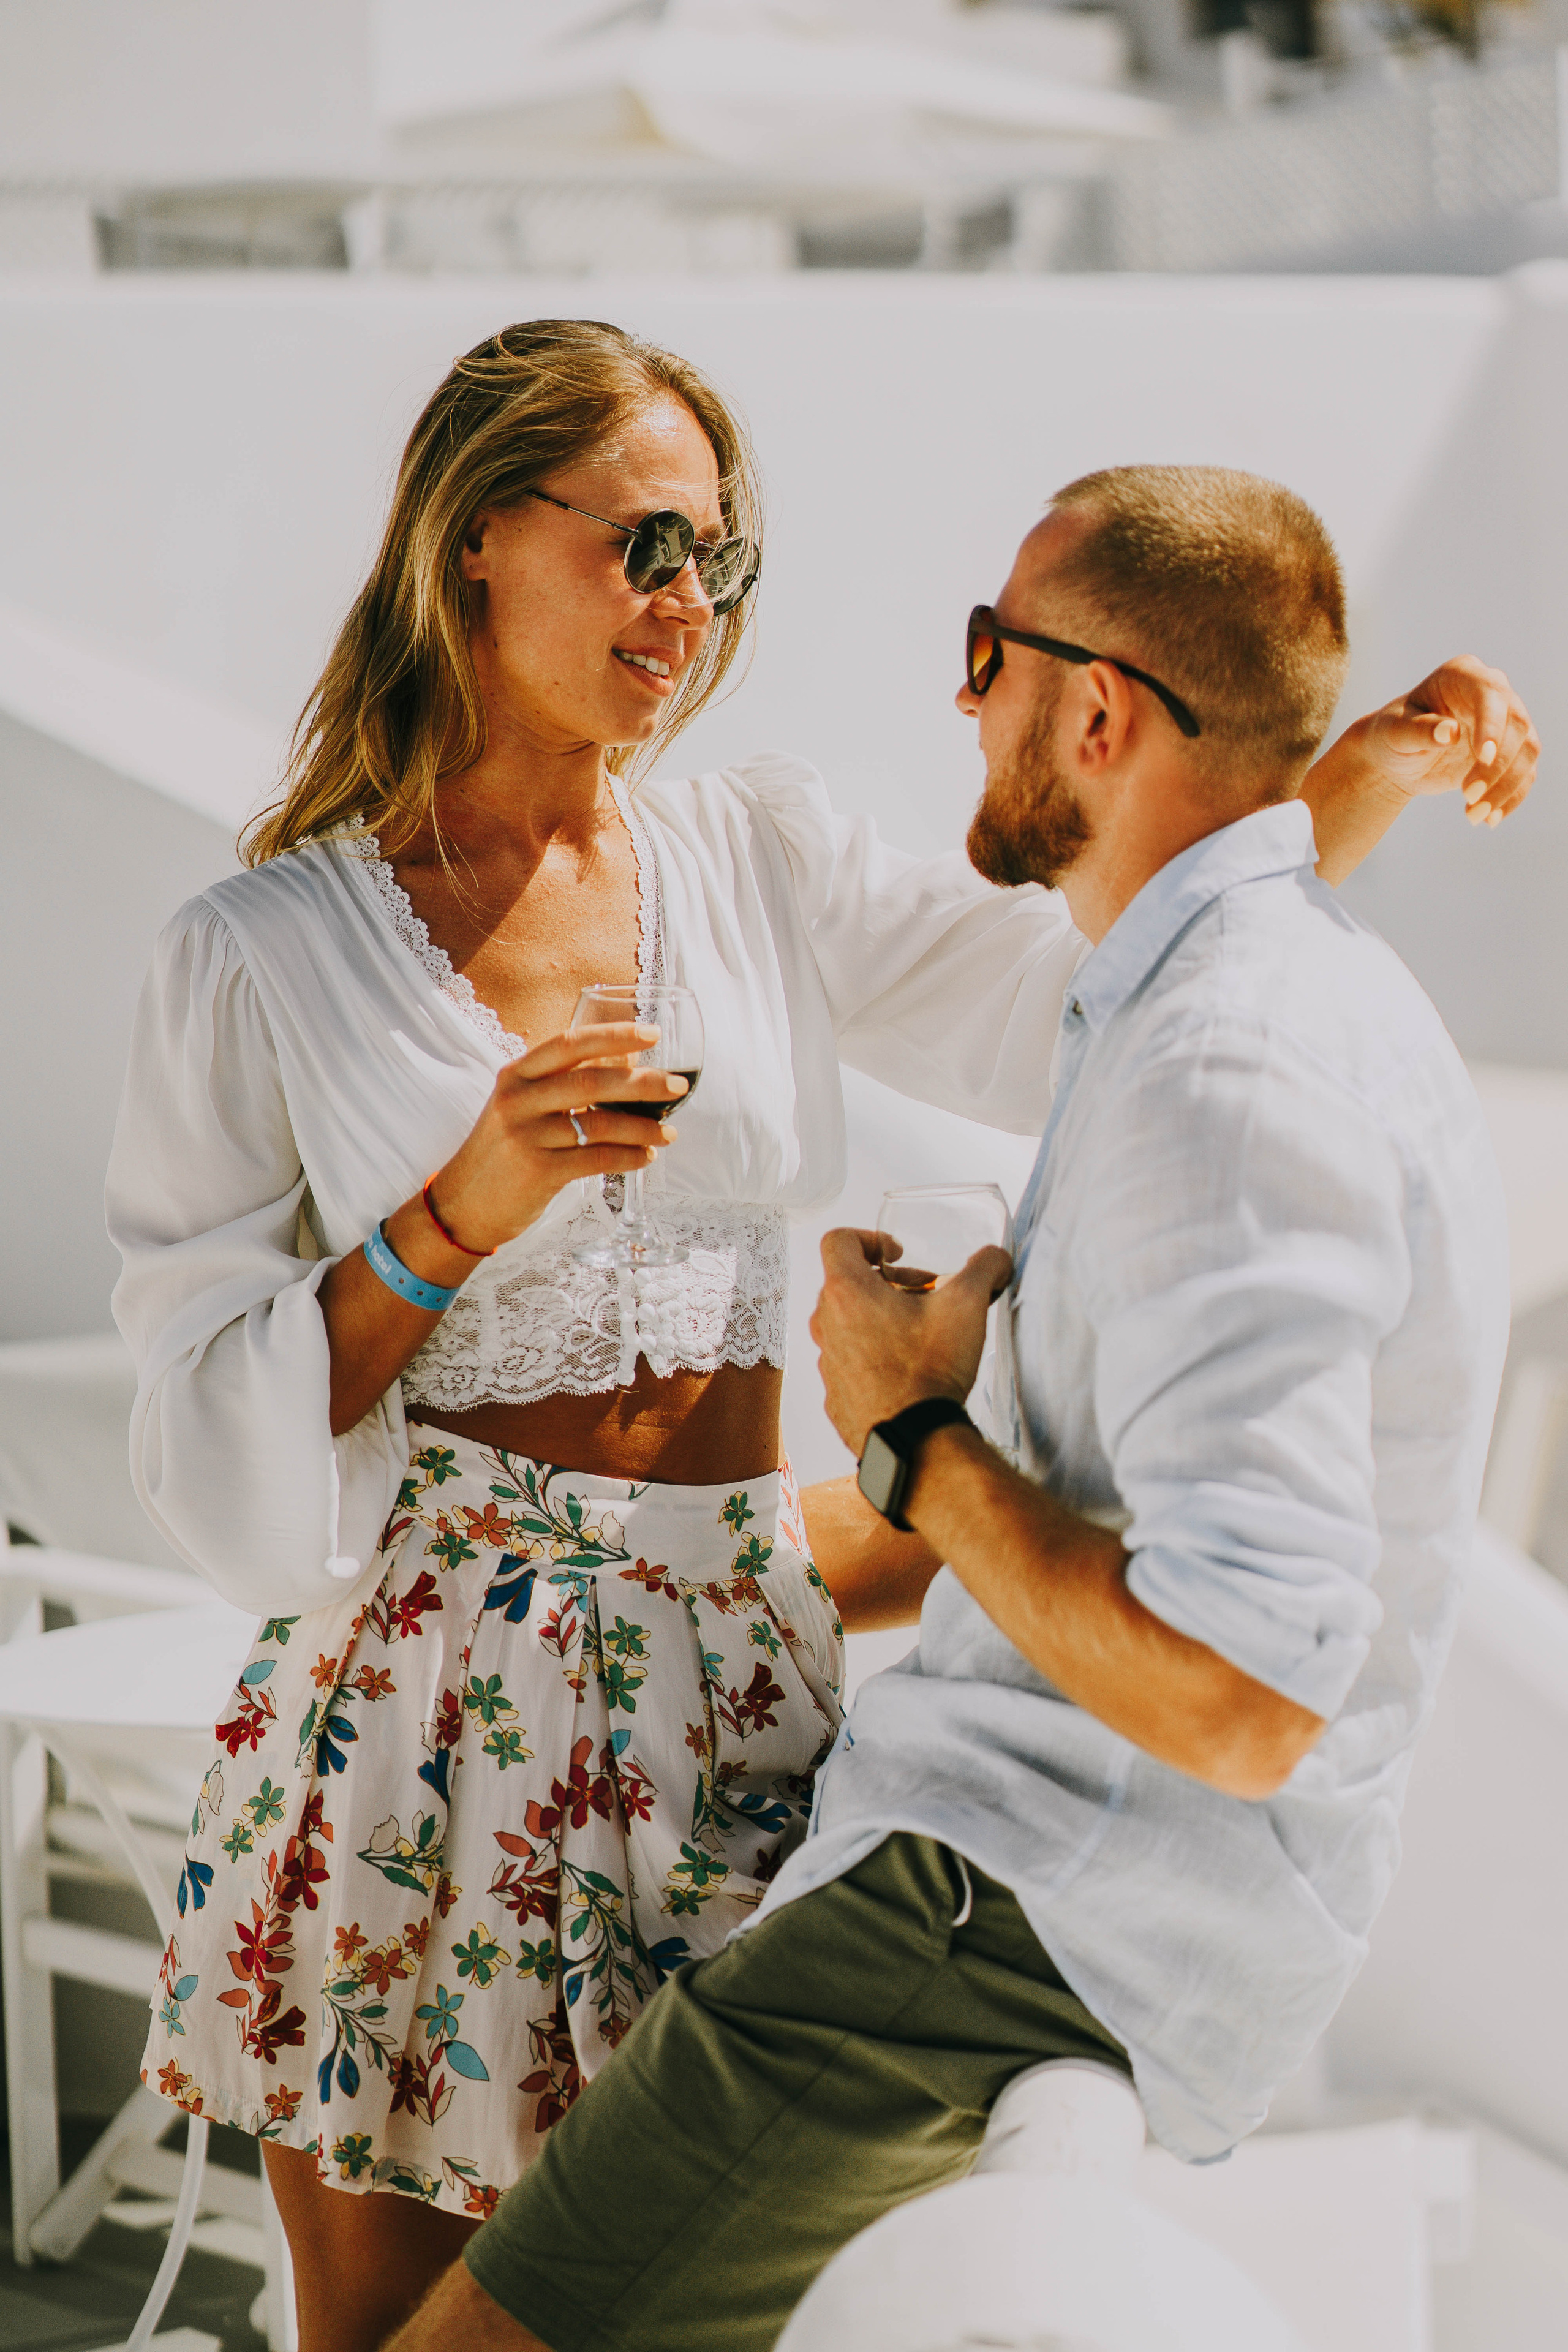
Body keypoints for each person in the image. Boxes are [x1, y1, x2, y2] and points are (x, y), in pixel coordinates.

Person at [105, 314, 1531, 2352]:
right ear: (478, 536)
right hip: (431, 1732)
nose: (691, 607)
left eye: (724, 564)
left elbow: (1091, 991)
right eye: (648, 546)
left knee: (690, 2309)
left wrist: (1322, 789)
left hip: (741, 1706)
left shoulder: (756, 856)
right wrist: (448, 1221)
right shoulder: (254, 961)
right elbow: (200, 1420)